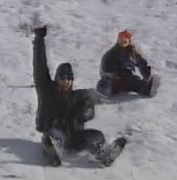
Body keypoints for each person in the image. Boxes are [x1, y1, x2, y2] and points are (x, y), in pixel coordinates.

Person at [33, 25, 127, 166]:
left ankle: (104, 154)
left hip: (74, 138)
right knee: (52, 137)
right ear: (57, 78)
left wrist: (84, 113)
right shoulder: (48, 90)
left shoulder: (79, 96)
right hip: (55, 133)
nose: (65, 81)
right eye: (62, 78)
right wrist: (39, 40)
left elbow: (90, 111)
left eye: (68, 78)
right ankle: (54, 153)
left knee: (96, 136)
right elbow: (39, 67)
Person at [96, 29, 158, 97]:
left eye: (125, 40)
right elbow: (105, 69)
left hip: (124, 75)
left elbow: (141, 63)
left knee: (133, 81)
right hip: (110, 75)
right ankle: (103, 91)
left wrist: (147, 76)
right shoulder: (112, 54)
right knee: (106, 85)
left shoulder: (132, 51)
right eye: (121, 40)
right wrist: (113, 77)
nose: (122, 42)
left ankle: (146, 88)